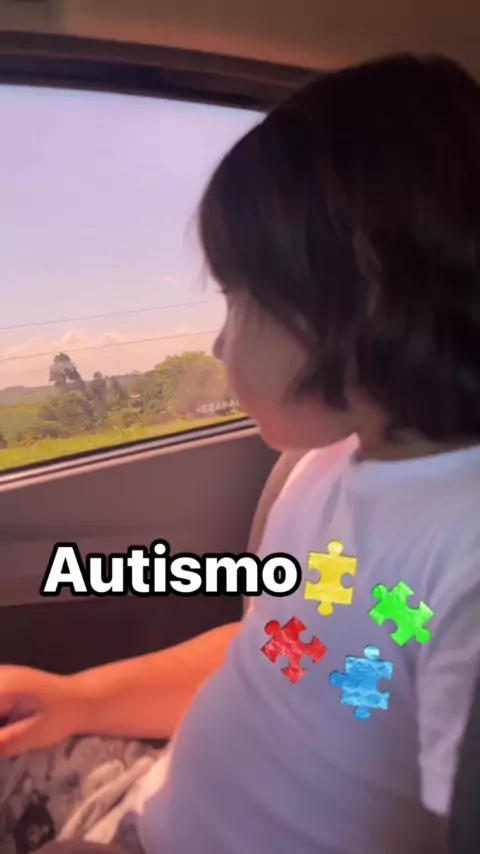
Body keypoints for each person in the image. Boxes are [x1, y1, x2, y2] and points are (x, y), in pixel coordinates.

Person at [1, 51, 480, 854]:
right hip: (137, 804)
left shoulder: (461, 558)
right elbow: (270, 652)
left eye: (237, 300)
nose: (221, 343)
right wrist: (76, 698)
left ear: (355, 297)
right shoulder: (321, 472)